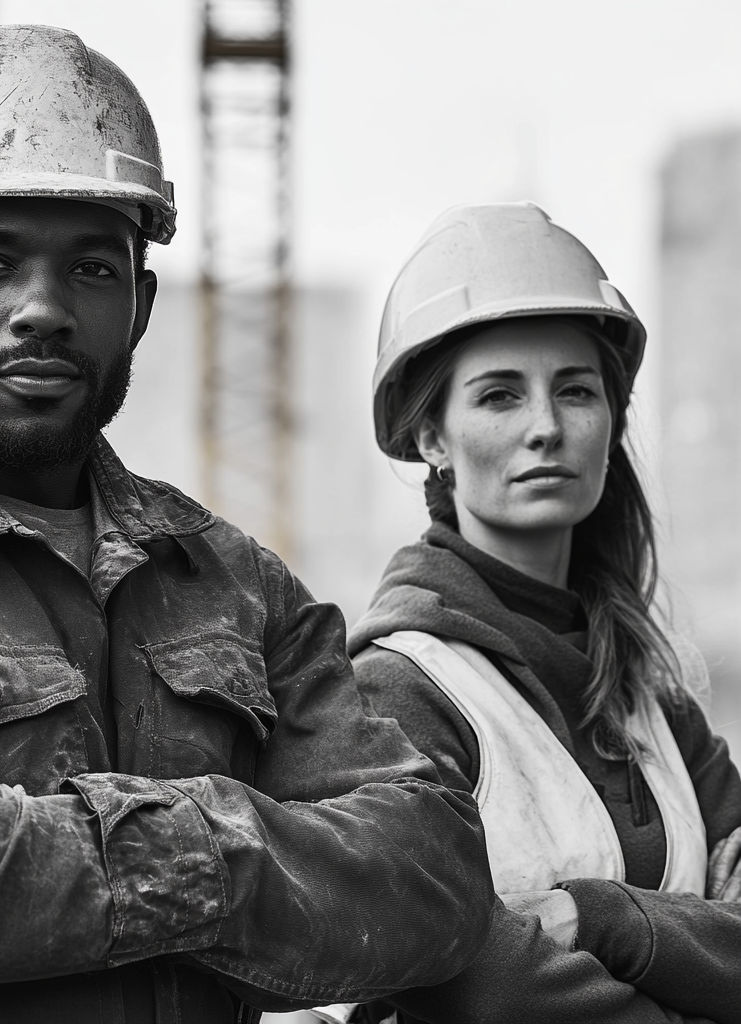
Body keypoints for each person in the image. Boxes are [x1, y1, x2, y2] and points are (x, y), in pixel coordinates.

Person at [0, 26, 494, 1024]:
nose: (41, 307)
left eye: (90, 269)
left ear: (140, 305)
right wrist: (232, 846)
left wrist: (50, 863)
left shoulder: (236, 584)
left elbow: (429, 880)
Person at [349, 201, 741, 1024]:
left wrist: (605, 920)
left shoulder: (652, 696)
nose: (547, 428)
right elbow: (477, 986)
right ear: (432, 438)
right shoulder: (397, 693)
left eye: (576, 391)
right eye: (499, 396)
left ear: (611, 422)